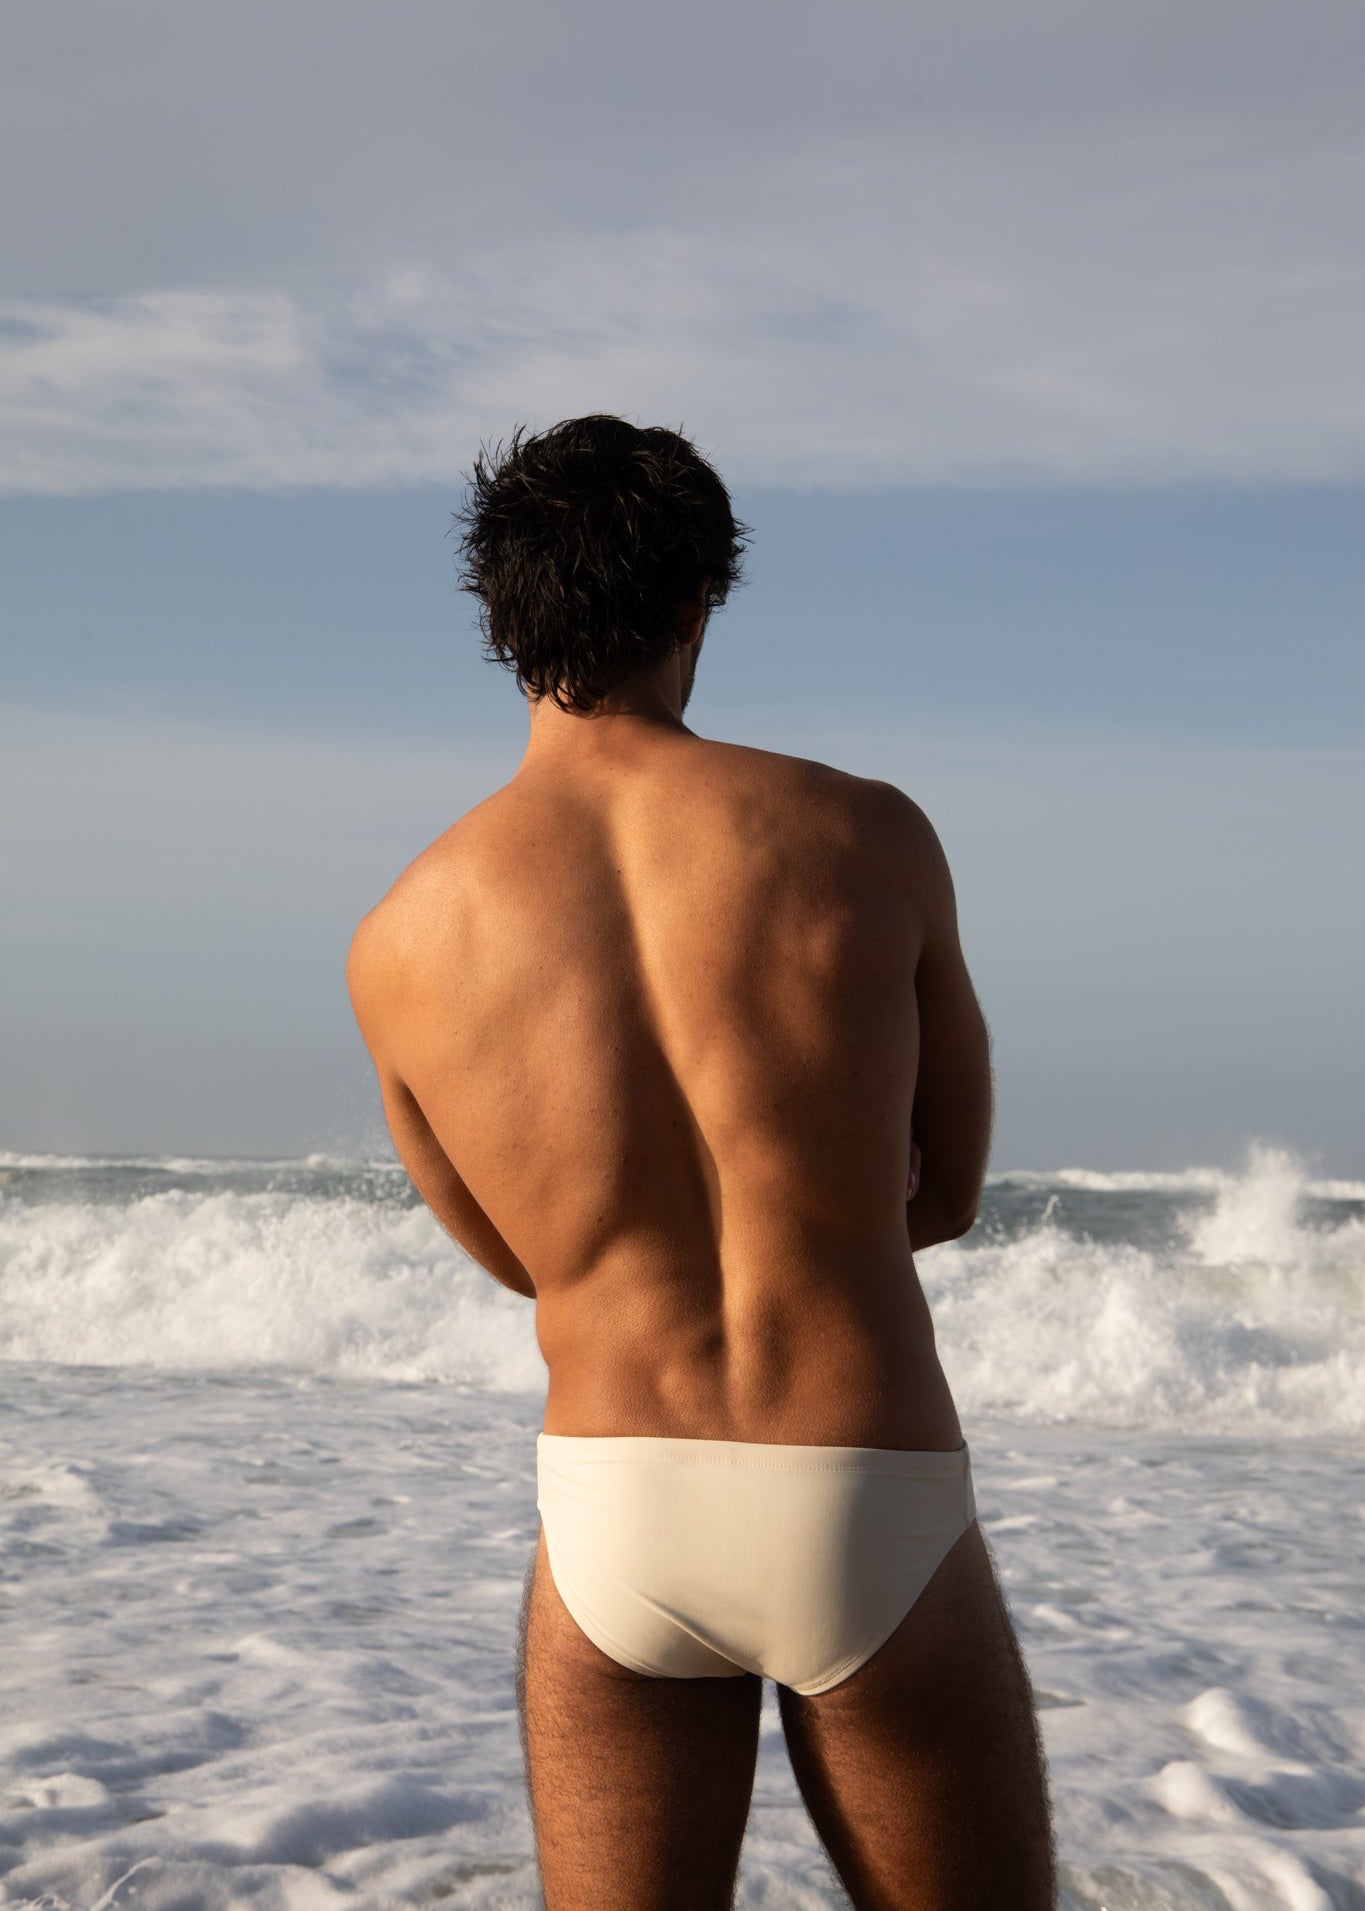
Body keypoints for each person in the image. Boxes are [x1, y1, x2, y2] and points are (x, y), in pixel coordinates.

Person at [347, 415, 1056, 1909]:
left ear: (494, 617)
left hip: (617, 1504)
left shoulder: (405, 934)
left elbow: (520, 1254)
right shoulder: (864, 836)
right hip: (862, 1483)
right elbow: (944, 1195)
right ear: (696, 604)